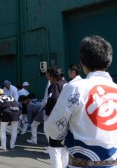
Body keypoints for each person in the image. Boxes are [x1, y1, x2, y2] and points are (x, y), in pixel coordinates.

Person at [46, 35, 117, 168]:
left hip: (82, 162)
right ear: (108, 60)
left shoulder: (75, 88)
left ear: (83, 62)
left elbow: (54, 127)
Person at [44, 66, 68, 168]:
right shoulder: (68, 85)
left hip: (58, 121)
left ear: (53, 77)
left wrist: (48, 112)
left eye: (50, 76)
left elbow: (53, 99)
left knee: (55, 151)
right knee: (65, 151)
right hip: (69, 121)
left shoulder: (54, 86)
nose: (49, 79)